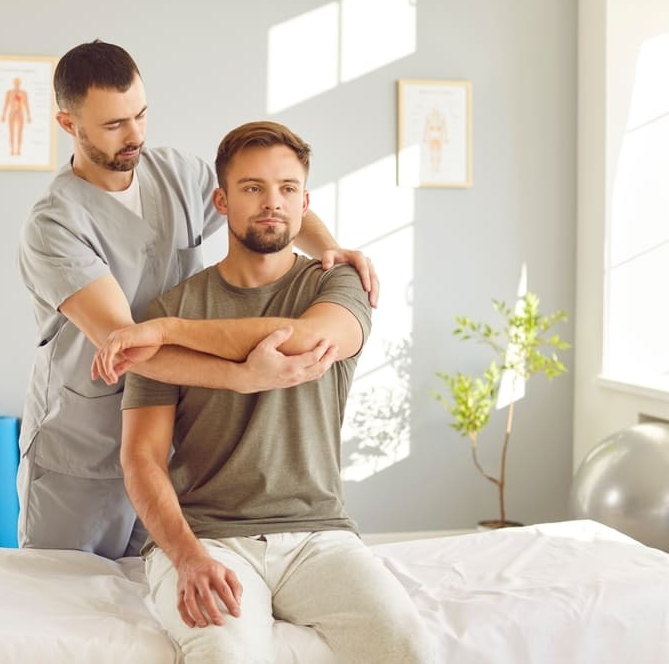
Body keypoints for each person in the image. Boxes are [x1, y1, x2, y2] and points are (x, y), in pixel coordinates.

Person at [17, 40, 380, 560]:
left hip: (171, 445)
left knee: (152, 596)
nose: (135, 135)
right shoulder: (54, 225)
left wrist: (330, 249)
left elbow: (268, 200)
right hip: (86, 450)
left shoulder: (176, 174)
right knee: (67, 596)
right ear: (68, 124)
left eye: (141, 114)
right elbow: (129, 347)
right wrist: (243, 377)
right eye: (114, 124)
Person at [103, 121, 434, 663]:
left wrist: (171, 333)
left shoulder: (337, 283)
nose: (271, 202)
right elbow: (141, 458)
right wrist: (186, 556)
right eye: (253, 187)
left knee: (408, 646)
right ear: (222, 202)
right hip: (208, 537)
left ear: (305, 203)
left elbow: (301, 339)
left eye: (286, 188)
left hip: (318, 537)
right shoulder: (169, 306)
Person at [1, 77, 31, 156]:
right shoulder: (9, 93)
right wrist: (3, 115)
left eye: (18, 83)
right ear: (14, 83)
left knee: (19, 132)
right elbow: (6, 104)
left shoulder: (24, 93)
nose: (17, 84)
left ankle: (18, 150)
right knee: (11, 132)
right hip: (12, 113)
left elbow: (26, 105)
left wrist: (28, 116)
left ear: (19, 83)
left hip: (20, 113)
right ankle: (12, 150)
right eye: (16, 82)